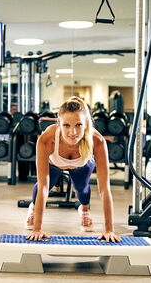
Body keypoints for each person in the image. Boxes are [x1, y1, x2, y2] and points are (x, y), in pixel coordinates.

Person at [25, 96, 122, 243]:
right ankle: (33, 208)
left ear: (86, 124)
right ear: (59, 123)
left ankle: (84, 209)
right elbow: (44, 187)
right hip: (54, 164)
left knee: (82, 189)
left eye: (78, 125)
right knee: (42, 186)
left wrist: (109, 230)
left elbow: (104, 188)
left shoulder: (98, 141)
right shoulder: (47, 139)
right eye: (66, 125)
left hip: (81, 164)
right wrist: (37, 229)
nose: (73, 132)